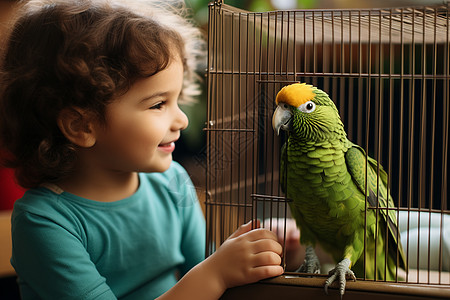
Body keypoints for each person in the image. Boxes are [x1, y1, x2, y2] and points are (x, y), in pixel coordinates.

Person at [0, 0, 283, 299]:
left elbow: (209, 277)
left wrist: (264, 261)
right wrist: (216, 272)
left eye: (177, 100)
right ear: (81, 126)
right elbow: (210, 276)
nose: (183, 120)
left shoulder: (173, 182)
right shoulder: (45, 222)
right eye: (158, 104)